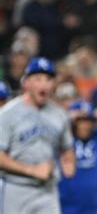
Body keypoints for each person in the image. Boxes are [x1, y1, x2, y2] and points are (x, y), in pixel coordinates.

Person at [0, 57, 75, 214]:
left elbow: (67, 147)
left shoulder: (60, 114)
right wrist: (31, 170)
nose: (44, 84)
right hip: (16, 189)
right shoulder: (8, 113)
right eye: (38, 79)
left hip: (48, 191)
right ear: (26, 82)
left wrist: (69, 161)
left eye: (48, 79)